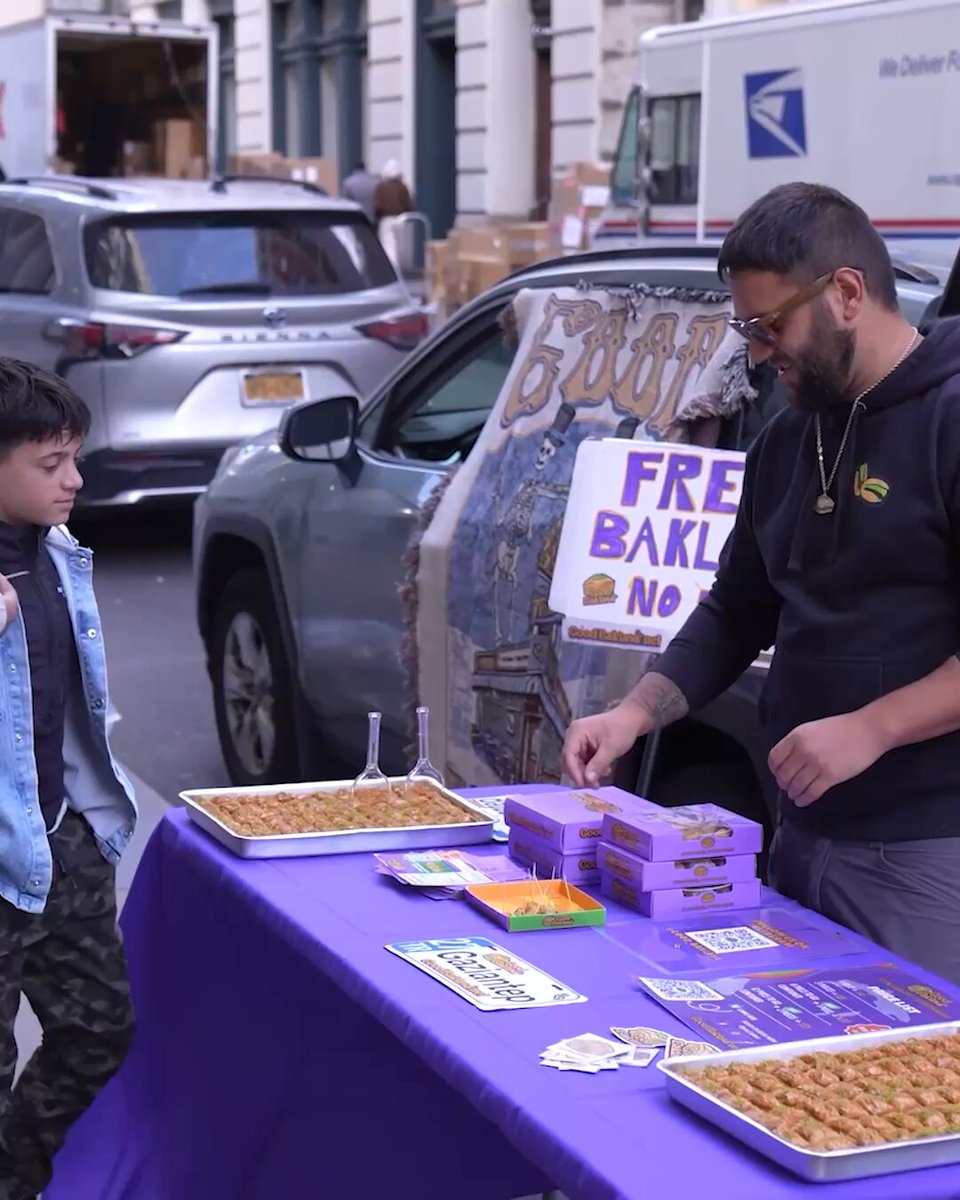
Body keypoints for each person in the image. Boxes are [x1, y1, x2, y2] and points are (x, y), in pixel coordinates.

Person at [562, 182, 960, 983]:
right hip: (802, 833)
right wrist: (635, 713)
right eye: (748, 329)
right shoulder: (784, 442)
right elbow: (738, 608)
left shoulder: (948, 419)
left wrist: (874, 727)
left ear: (847, 293)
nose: (757, 353)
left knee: (908, 1092)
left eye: (771, 326)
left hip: (929, 851)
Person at [0, 360, 136, 1199]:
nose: (73, 481)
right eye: (49, 465)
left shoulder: (57, 553)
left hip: (61, 837)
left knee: (99, 1031)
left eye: (74, 458)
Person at [374, 159, 414, 270]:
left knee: (388, 243)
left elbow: (377, 204)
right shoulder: (402, 187)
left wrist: (376, 218)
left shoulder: (381, 187)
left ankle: (392, 266)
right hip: (401, 218)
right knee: (399, 242)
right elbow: (408, 203)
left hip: (386, 218)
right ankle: (398, 264)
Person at [341, 159, 379, 225]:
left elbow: (345, 201)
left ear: (354, 169)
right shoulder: (375, 181)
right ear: (365, 168)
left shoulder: (349, 182)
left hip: (357, 219)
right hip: (373, 218)